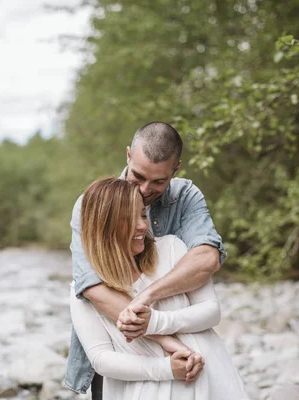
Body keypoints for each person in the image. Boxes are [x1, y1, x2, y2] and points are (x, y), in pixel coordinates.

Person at [63, 122, 227, 397]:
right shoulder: (93, 205)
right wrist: (163, 341)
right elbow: (91, 287)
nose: (144, 189)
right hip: (124, 353)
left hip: (187, 353)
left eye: (158, 181)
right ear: (128, 155)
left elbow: (206, 258)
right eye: (138, 176)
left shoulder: (185, 198)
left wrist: (146, 298)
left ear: (176, 170)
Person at [70, 177, 248, 399]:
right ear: (105, 226)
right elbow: (100, 358)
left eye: (143, 214)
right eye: (129, 218)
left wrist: (154, 322)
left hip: (211, 383)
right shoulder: (87, 288)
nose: (143, 225)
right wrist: (166, 369)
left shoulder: (172, 248)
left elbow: (211, 311)